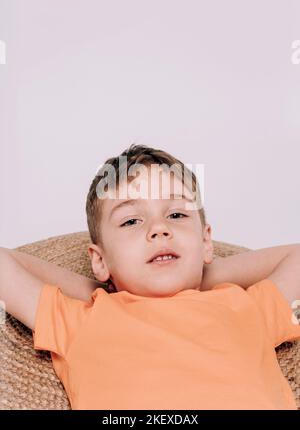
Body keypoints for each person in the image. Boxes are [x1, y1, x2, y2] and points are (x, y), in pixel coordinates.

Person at [1, 143, 300, 410]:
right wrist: (104, 286)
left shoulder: (244, 308)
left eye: (176, 215)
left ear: (206, 241)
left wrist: (200, 271)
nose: (159, 228)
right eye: (131, 220)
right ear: (99, 259)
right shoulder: (80, 320)